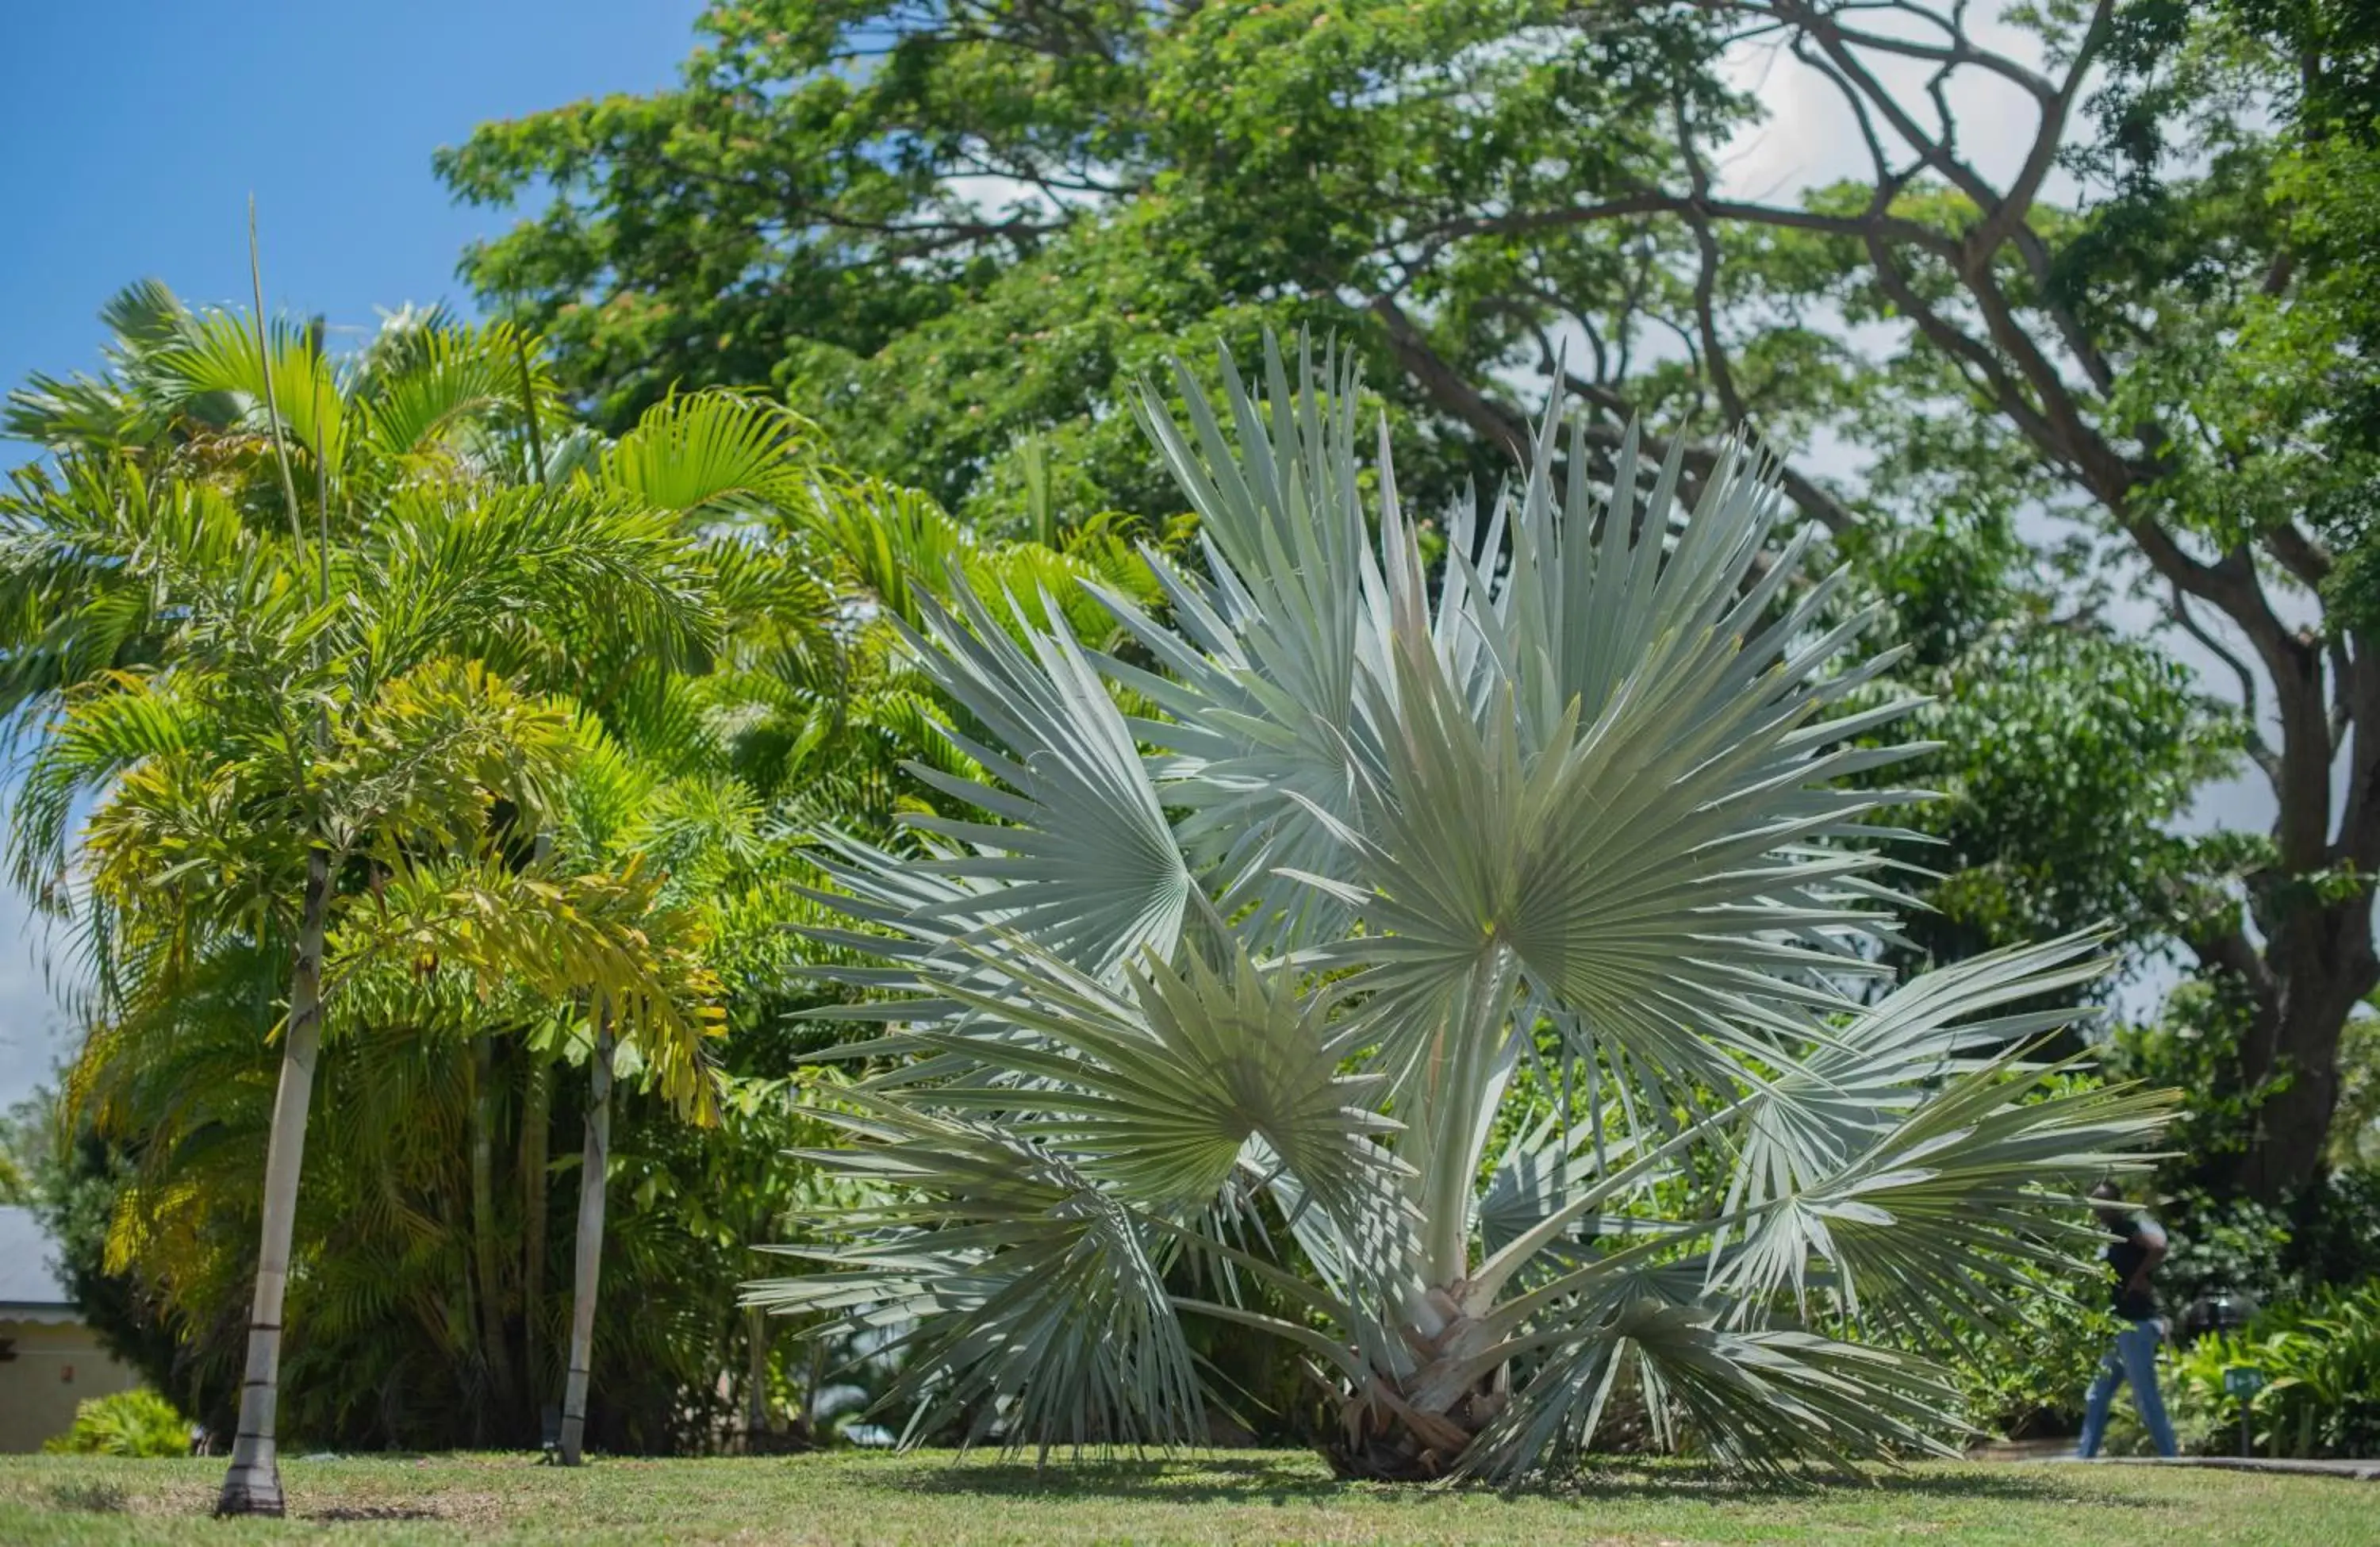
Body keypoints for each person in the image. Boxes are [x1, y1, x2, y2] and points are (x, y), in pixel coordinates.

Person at [2075, 1180, 2179, 1458]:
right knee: (2096, 1395)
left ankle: (2172, 1458)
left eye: (2105, 1204)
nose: (2100, 1209)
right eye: (2096, 1204)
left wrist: (2138, 1277)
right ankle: (2083, 1459)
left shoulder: (2128, 1227)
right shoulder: (2109, 1233)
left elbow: (2158, 1247)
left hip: (2136, 1324)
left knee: (2146, 1397)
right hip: (2116, 1324)